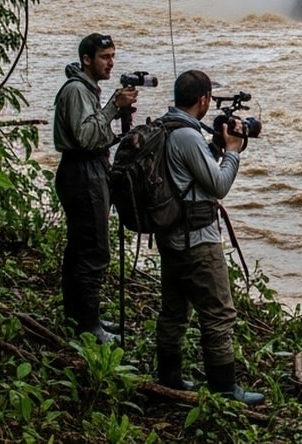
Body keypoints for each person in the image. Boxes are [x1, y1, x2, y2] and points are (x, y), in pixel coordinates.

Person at [153, 69, 264, 404]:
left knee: (173, 310)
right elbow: (218, 185)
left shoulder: (167, 126)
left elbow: (190, 172)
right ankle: (224, 389)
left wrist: (214, 145)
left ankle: (168, 378)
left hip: (171, 235)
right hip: (197, 241)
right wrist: (232, 150)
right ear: (203, 100)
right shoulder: (187, 137)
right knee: (218, 314)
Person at [52, 32, 138, 343]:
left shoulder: (87, 89)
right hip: (82, 171)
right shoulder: (77, 90)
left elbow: (93, 133)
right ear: (86, 59)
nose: (110, 62)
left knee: (82, 247)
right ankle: (88, 326)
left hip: (86, 169)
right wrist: (115, 106)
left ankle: (82, 318)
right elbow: (85, 137)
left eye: (113, 56)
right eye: (104, 57)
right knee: (92, 249)